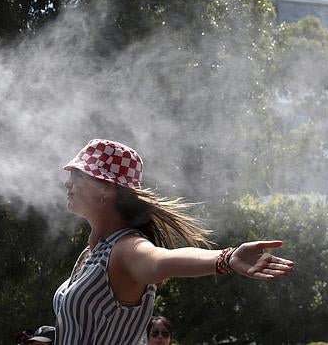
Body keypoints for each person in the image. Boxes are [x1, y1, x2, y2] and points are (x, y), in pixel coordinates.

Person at [52, 139, 295, 344]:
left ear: (105, 188)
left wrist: (227, 258)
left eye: (77, 175)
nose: (68, 183)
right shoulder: (95, 250)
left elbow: (163, 261)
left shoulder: (125, 248)